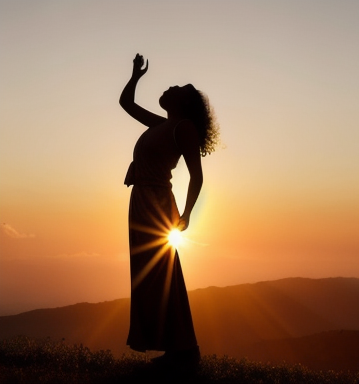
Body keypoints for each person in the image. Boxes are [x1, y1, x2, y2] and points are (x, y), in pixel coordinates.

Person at [119, 53, 218, 366]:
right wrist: (135, 75)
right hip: (142, 201)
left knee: (161, 274)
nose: (168, 88)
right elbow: (126, 104)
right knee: (149, 276)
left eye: (175, 88)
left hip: (158, 203)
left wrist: (187, 214)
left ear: (183, 102)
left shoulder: (183, 127)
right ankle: (175, 347)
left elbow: (197, 174)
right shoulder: (163, 124)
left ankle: (184, 348)